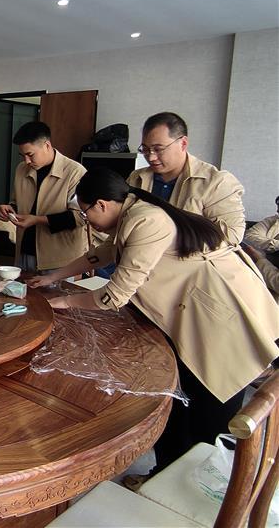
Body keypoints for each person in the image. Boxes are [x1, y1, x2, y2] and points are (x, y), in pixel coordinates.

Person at [28, 168, 278, 476]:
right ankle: (165, 473)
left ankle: (199, 489)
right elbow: (103, 253)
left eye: (85, 212)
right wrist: (52, 277)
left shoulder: (146, 220)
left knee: (209, 412)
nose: (86, 220)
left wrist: (62, 302)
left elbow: (114, 296)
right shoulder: (131, 213)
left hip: (219, 321)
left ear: (101, 205)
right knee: (175, 401)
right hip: (190, 316)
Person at [128, 111, 246, 245]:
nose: (151, 157)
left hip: (190, 256)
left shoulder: (216, 182)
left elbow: (231, 236)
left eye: (158, 149)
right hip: (139, 253)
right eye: (145, 149)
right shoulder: (136, 178)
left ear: (183, 143)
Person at [0, 121, 87, 273]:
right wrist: (9, 209)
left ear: (47, 145)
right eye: (23, 155)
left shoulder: (75, 172)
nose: (26, 161)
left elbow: (80, 217)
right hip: (24, 251)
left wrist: (37, 220)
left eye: (30, 155)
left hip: (59, 259)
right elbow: (18, 202)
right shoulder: (21, 169)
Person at [243, 194, 279, 301]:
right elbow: (249, 236)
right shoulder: (273, 221)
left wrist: (259, 260)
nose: (277, 212)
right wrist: (275, 245)